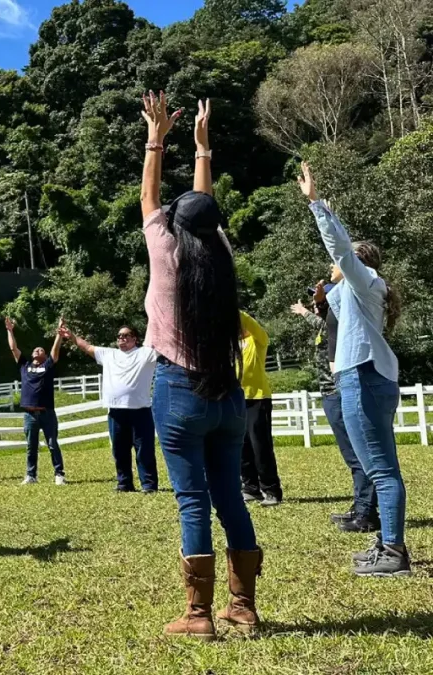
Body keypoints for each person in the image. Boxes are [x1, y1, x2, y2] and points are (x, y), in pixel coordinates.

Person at [140, 95, 261, 639]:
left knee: (193, 500)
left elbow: (150, 197)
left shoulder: (167, 253)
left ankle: (198, 616)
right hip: (228, 395)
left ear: (175, 225)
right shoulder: (222, 257)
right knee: (230, 495)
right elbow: (201, 209)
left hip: (179, 388)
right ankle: (244, 606)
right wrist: (204, 150)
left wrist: (157, 137)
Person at [298, 162, 409, 577]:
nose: (332, 269)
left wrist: (316, 205)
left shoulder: (364, 283)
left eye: (341, 264)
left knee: (381, 469)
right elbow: (334, 290)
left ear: (357, 264)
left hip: (363, 376)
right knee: (376, 467)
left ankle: (394, 552)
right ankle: (386, 543)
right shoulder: (355, 293)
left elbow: (341, 250)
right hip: (359, 376)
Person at [292, 284, 379, 533]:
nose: (317, 303)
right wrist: (316, 305)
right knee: (353, 456)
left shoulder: (341, 321)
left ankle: (366, 513)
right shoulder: (331, 321)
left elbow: (323, 323)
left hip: (339, 392)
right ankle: (362, 507)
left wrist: (305, 311)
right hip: (332, 393)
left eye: (323, 301)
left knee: (356, 456)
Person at [71, 325, 158, 493]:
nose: (121, 338)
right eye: (119, 335)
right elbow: (87, 347)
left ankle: (148, 485)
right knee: (119, 450)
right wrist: (71, 335)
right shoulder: (109, 354)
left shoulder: (146, 353)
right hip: (116, 412)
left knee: (144, 450)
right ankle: (124, 484)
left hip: (140, 411)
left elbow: (162, 344)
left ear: (135, 339)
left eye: (126, 335)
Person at [4, 316, 69, 485]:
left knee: (52, 444)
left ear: (45, 355)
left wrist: (59, 333)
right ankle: (31, 476)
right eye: (36, 349)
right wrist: (9, 330)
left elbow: (55, 352)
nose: (37, 350)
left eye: (41, 350)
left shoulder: (47, 365)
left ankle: (59, 474)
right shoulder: (24, 365)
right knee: (31, 447)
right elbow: (13, 348)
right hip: (29, 414)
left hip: (47, 413)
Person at [238, 311, 283, 507]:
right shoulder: (229, 346)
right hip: (236, 401)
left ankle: (271, 489)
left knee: (260, 447)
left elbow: (255, 328)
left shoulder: (257, 341)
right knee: (241, 447)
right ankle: (250, 488)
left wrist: (232, 308)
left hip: (258, 398)